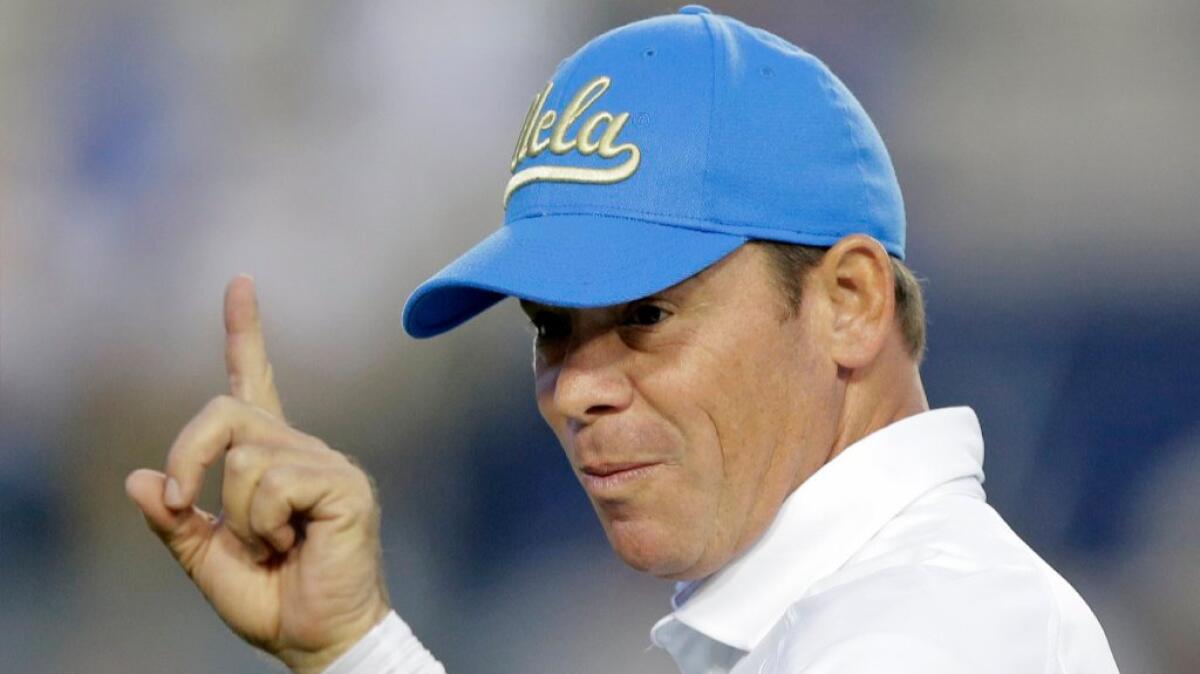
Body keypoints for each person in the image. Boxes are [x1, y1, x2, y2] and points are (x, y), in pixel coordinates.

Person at [125, 6, 1120, 674]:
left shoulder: (920, 636)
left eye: (646, 314)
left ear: (850, 301)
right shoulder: (855, 608)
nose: (573, 389)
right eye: (552, 328)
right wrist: (353, 641)